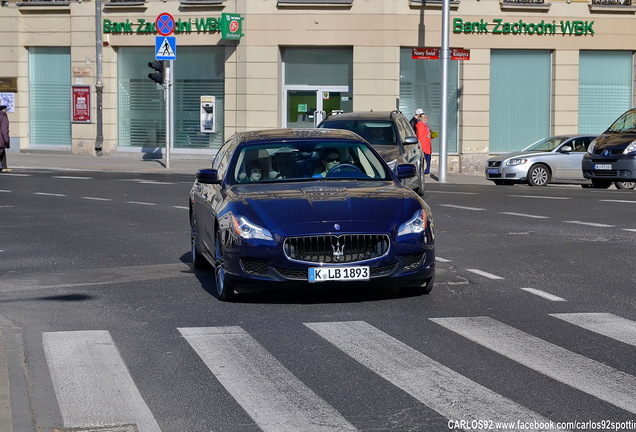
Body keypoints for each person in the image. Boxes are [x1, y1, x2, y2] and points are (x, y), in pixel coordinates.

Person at [415, 110, 432, 174]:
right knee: (423, 159)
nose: (427, 119)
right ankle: (422, 170)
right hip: (424, 146)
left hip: (427, 145)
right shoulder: (420, 125)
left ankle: (427, 170)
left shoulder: (425, 125)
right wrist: (421, 146)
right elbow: (420, 136)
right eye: (425, 118)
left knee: (428, 159)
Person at [0, 105, 10, 173]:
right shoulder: (3, 116)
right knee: (1, 151)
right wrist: (6, 140)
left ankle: (4, 166)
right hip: (1, 139)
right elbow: (4, 130)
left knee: (2, 151)